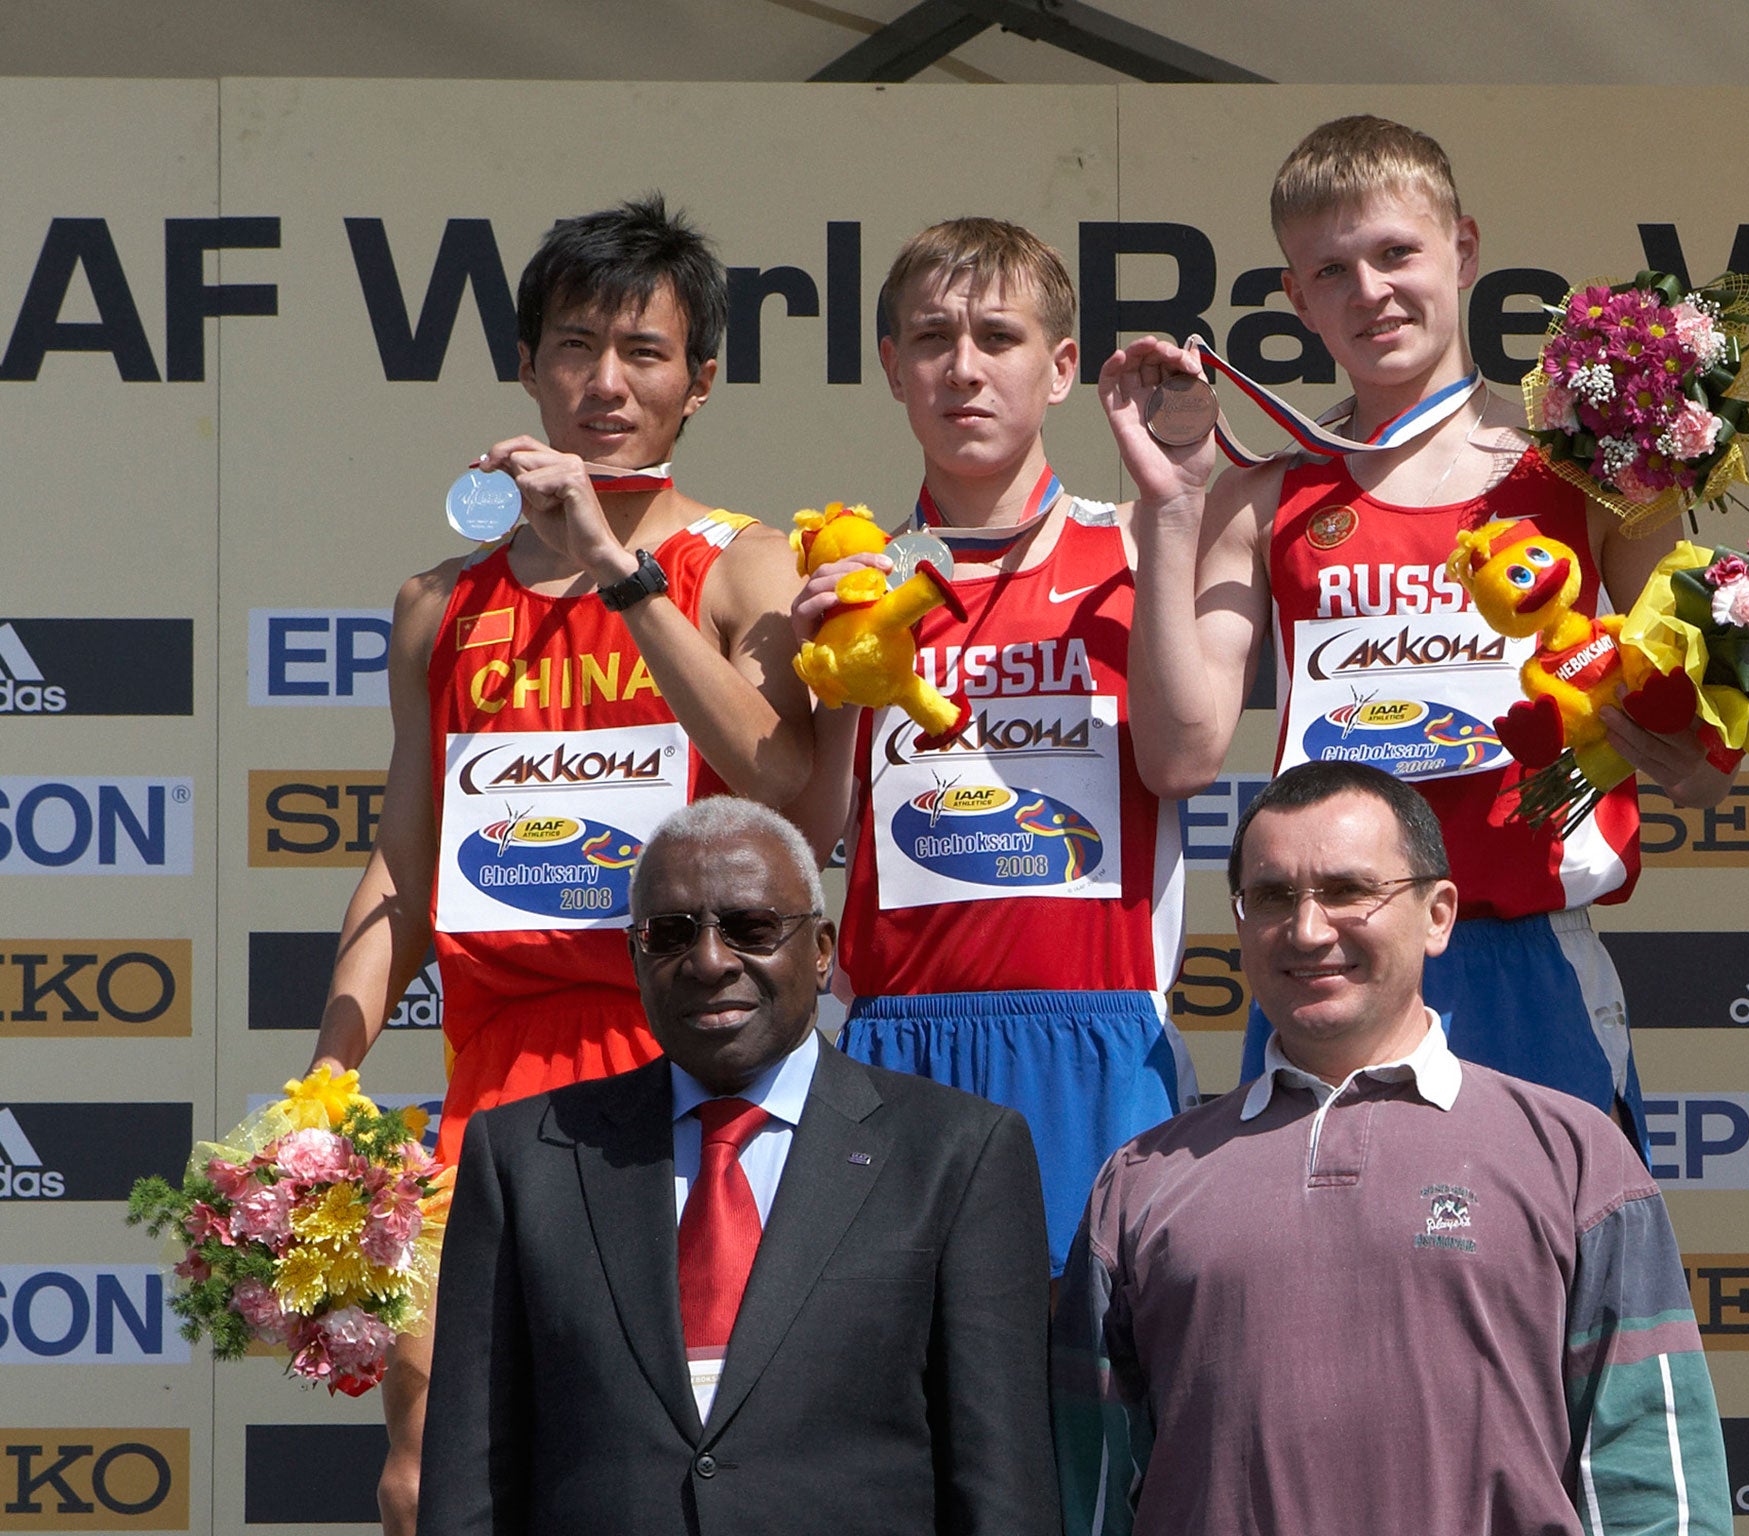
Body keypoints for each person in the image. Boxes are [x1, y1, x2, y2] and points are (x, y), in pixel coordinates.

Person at [306, 196, 812, 1534]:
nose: (606, 382)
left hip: (693, 1074)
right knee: (433, 1459)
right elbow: (406, 870)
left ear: (700, 383)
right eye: (576, 346)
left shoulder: (744, 565)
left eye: (644, 352)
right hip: (495, 1072)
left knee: (681, 1457)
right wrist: (322, 1084)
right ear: (528, 364)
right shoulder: (442, 604)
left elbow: (783, 783)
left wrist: (613, 566)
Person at [1098, 115, 1741, 1143]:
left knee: (1553, 1294)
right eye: (1332, 270)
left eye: (1396, 251)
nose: (1370, 292)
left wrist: (1682, 717)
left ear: (1464, 249)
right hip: (1327, 966)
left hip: (1526, 960)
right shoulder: (1265, 497)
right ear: (1293, 299)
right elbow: (1178, 756)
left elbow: (1702, 773)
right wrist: (1173, 508)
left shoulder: (1582, 471)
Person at [1052, 761, 1730, 1536]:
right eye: (1273, 897)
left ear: (1437, 914)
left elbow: (1652, 1486)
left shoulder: (1577, 1158)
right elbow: (1091, 1495)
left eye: (1348, 891)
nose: (1308, 931)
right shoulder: (1140, 1183)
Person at [418, 797, 1058, 1535]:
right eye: (670, 935)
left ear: (821, 951)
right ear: (635, 957)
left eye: (751, 928)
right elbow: (468, 1487)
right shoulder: (524, 1158)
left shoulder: (958, 1153)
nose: (710, 961)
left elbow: (1003, 1490)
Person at [789, 218, 1196, 1275]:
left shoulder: (1134, 545)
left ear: (1060, 367)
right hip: (893, 1042)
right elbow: (806, 836)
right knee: (907, 1421)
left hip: (1096, 1040)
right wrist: (826, 682)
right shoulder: (856, 584)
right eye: (930, 339)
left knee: (1091, 1419)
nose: (961, 369)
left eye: (997, 338)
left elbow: (1182, 762)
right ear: (889, 366)